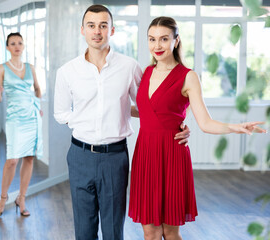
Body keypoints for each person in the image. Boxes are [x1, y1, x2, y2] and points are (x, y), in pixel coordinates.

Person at [54, 5, 189, 240]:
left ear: (112, 30)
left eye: (103, 25)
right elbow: (61, 113)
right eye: (92, 25)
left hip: (114, 158)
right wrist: (87, 120)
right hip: (80, 156)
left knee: (113, 230)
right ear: (82, 30)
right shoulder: (67, 71)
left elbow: (148, 106)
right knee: (84, 231)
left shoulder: (129, 67)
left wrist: (174, 126)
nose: (97, 31)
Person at [128, 16, 266, 240]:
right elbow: (146, 111)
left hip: (171, 156)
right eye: (152, 39)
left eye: (164, 39)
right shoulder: (146, 72)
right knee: (150, 232)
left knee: (170, 232)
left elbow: (206, 122)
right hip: (145, 155)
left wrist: (236, 127)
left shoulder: (188, 76)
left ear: (176, 40)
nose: (157, 45)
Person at [0, 32, 43, 218]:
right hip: (14, 119)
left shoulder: (30, 67)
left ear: (23, 46)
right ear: (7, 47)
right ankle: (3, 198)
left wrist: (38, 106)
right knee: (12, 160)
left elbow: (38, 89)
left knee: (29, 158)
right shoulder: (1, 69)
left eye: (20, 43)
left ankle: (21, 198)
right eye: (12, 43)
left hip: (31, 117)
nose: (16, 46)